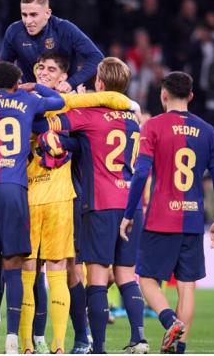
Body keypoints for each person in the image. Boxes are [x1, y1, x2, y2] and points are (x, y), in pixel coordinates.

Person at [22, 52, 134, 354]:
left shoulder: (76, 106)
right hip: (30, 193)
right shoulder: (29, 101)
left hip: (70, 193)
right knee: (33, 267)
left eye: (52, 69)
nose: (45, 72)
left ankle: (82, 337)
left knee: (71, 269)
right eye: (41, 68)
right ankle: (36, 338)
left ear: (63, 78)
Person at [0, 61, 66, 354]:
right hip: (14, 188)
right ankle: (11, 340)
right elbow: (59, 101)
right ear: (17, 84)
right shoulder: (27, 100)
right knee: (13, 268)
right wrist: (35, 87)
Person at [119, 72, 214, 354]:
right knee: (187, 285)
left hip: (160, 217)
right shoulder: (208, 131)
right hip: (193, 218)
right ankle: (178, 348)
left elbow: (141, 173)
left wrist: (129, 213)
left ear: (163, 95)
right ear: (190, 96)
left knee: (145, 278)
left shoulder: (153, 126)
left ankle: (169, 320)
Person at [0, 0, 103, 90]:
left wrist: (71, 83)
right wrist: (16, 83)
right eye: (24, 15)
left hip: (64, 97)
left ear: (47, 14)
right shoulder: (14, 31)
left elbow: (96, 57)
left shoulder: (64, 29)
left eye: (33, 15)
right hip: (30, 99)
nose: (28, 21)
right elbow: (4, 67)